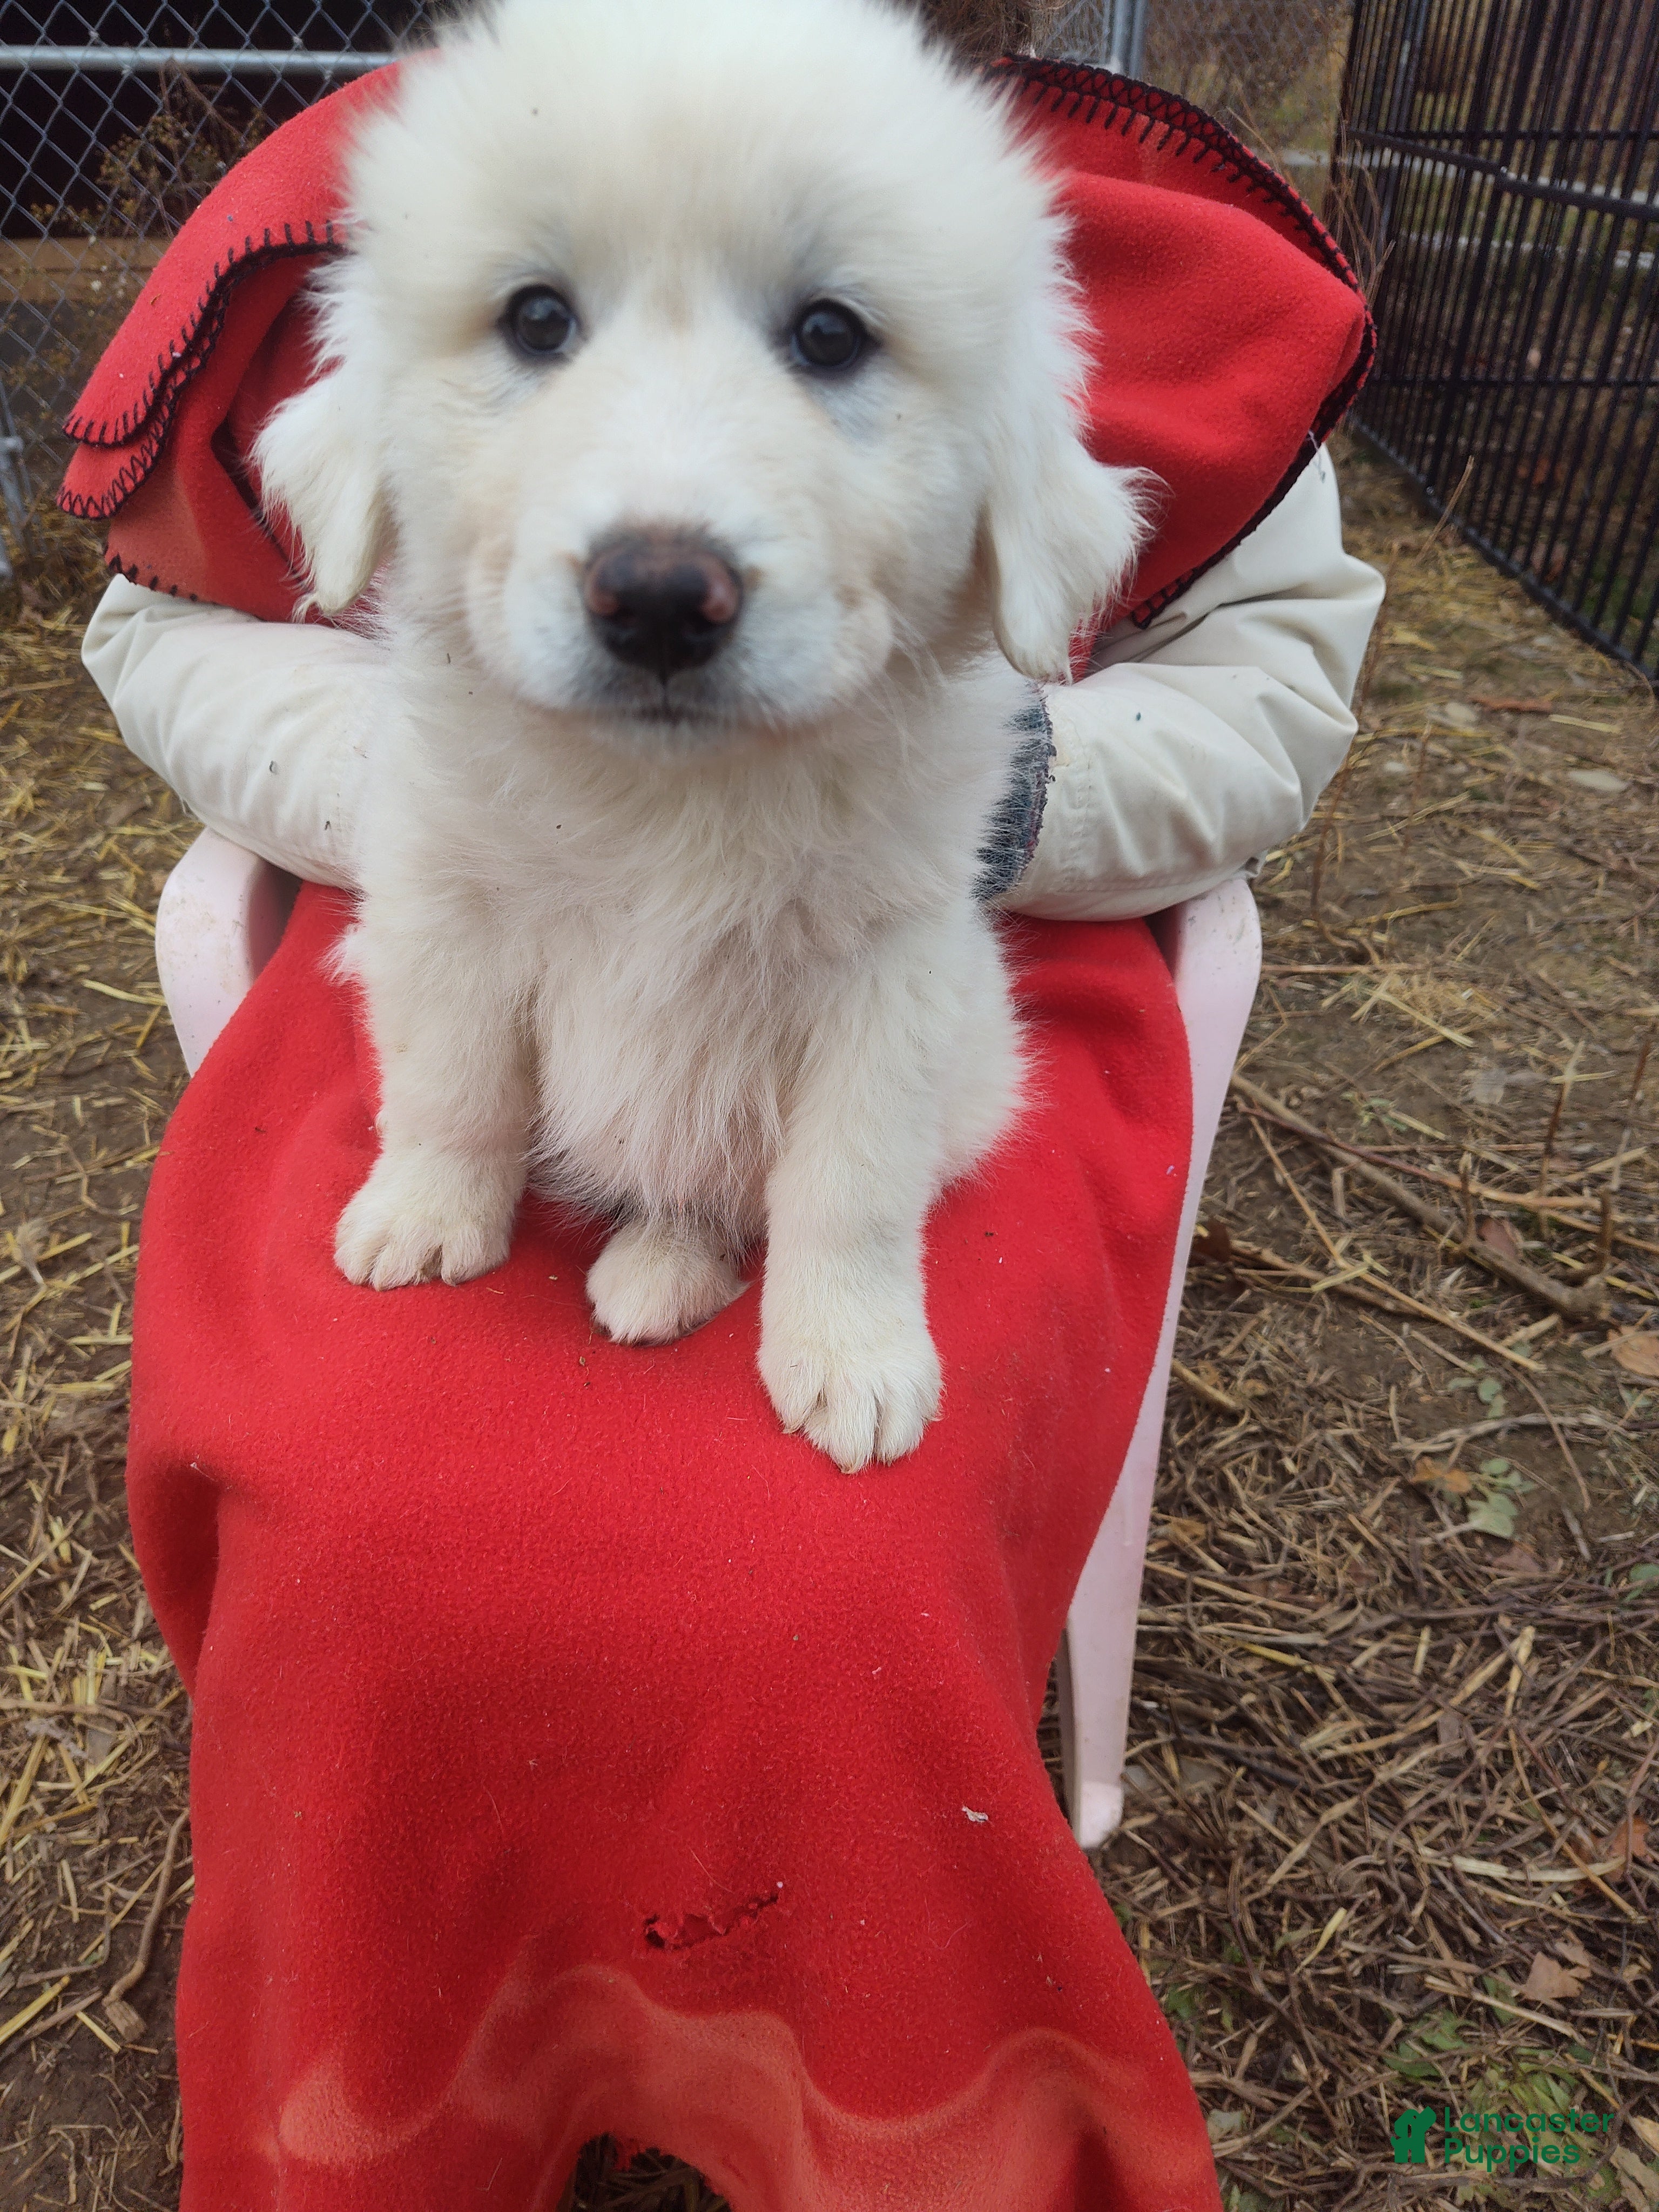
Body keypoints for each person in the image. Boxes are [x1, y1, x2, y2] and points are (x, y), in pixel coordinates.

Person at [64, 5, 1381, 2207]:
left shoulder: (1073, 203)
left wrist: (844, 1245)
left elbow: (1212, 723)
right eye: (546, 321)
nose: (660, 523)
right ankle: (410, 2032)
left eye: (831, 334)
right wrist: (449, 1111)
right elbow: (295, 741)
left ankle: (817, 2031)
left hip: (907, 985)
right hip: (471, 974)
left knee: (814, 1583)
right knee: (362, 1528)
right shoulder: (447, 138)